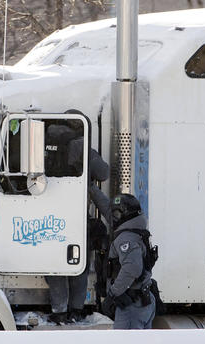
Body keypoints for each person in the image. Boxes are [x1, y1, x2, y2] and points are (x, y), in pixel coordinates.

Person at [45, 112, 109, 324]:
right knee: (79, 263)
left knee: (55, 264)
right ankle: (75, 310)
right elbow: (104, 173)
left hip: (48, 215)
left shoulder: (43, 141)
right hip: (77, 217)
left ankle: (59, 309)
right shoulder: (81, 146)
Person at [106, 194, 156, 329]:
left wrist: (113, 293)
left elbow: (132, 268)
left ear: (126, 214)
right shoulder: (137, 231)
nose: (114, 218)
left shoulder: (126, 237)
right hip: (142, 300)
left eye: (116, 214)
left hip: (131, 304)